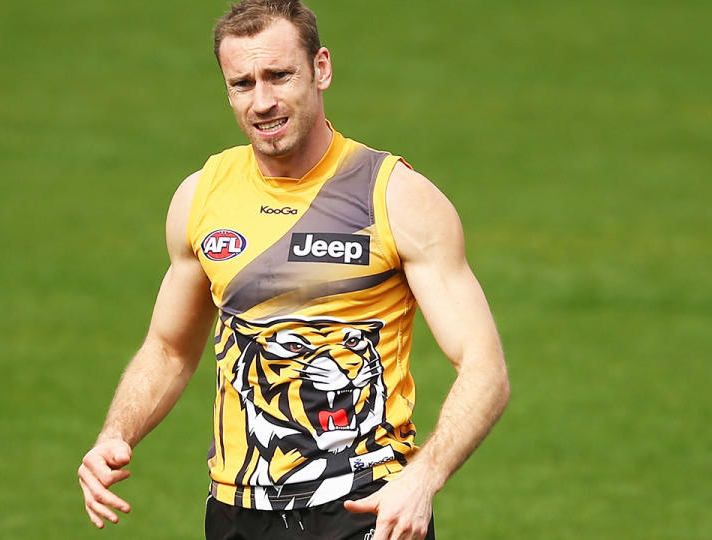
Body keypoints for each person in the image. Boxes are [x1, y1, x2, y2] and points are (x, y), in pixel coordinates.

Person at [77, 1, 510, 538]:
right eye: (242, 83)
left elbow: (485, 368)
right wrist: (116, 434)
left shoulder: (395, 197)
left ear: (320, 69)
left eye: (279, 76)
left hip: (366, 507)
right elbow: (168, 348)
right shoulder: (203, 195)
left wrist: (424, 477)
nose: (262, 101)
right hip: (236, 512)